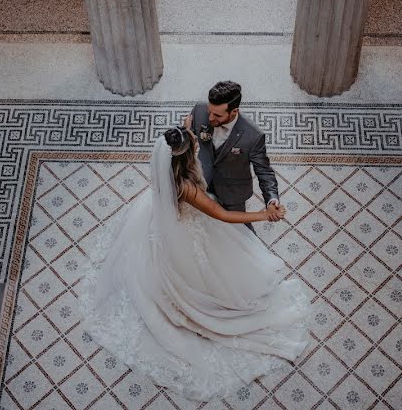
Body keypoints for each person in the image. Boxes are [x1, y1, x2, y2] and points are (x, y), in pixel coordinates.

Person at [77, 127, 311, 401]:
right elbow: (221, 215)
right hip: (187, 231)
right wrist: (264, 215)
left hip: (160, 221)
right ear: (185, 158)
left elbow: (184, 133)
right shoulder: (186, 188)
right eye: (194, 146)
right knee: (216, 274)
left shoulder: (166, 164)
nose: (198, 145)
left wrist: (191, 128)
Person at [185, 81, 283, 233]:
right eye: (209, 111)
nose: (210, 117)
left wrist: (272, 200)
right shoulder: (199, 109)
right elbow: (188, 136)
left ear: (234, 111)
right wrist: (186, 133)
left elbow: (264, 171)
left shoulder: (253, 135)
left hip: (233, 192)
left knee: (242, 230)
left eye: (217, 115)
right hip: (201, 181)